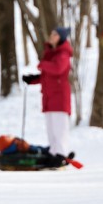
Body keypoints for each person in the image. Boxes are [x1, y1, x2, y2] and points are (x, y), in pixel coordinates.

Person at [22, 26, 74, 165]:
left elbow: (57, 69)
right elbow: (47, 76)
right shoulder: (52, 54)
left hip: (59, 97)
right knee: (51, 127)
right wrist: (33, 79)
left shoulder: (63, 54)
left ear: (61, 38)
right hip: (50, 97)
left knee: (59, 128)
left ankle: (62, 153)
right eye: (51, 33)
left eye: (55, 34)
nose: (51, 36)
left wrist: (42, 64)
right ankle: (54, 151)